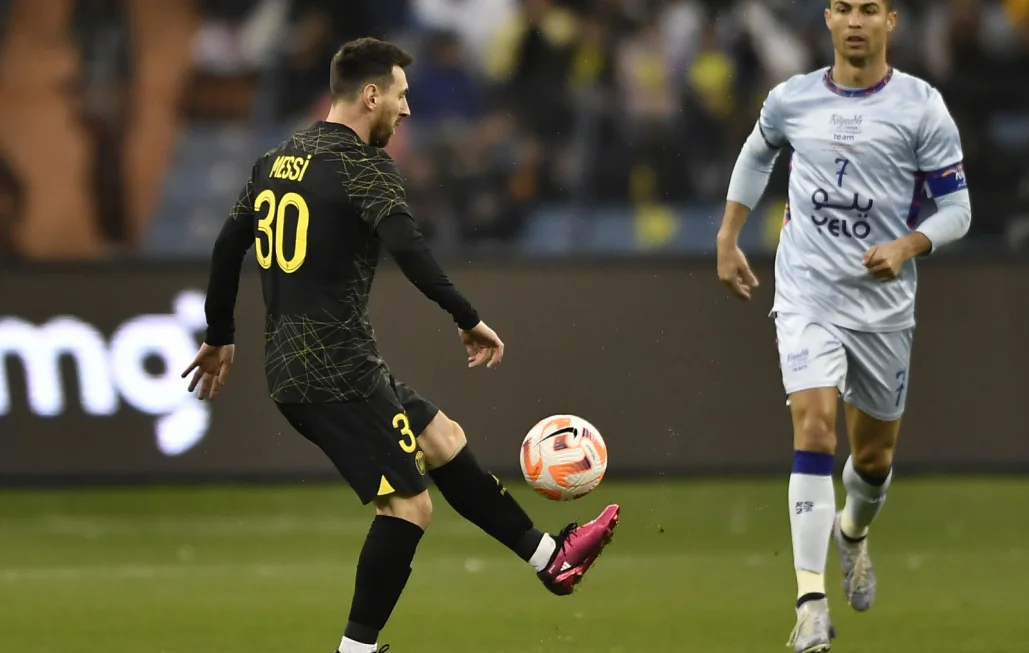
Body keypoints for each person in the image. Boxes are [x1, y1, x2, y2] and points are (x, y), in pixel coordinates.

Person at [180, 37, 620, 653]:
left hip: (311, 364)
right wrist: (467, 317)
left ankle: (552, 559)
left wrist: (221, 334)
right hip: (336, 371)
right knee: (408, 509)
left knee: (443, 439)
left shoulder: (274, 161)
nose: (407, 109)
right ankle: (355, 651)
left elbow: (228, 247)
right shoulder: (363, 167)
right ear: (370, 95)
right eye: (401, 95)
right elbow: (410, 250)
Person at [714, 2, 972, 651]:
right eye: (844, 8)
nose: (856, 21)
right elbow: (757, 152)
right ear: (828, 19)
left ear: (890, 21)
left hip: (882, 308)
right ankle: (810, 603)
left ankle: (852, 531)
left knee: (874, 458)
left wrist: (907, 246)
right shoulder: (791, 99)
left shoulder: (921, 107)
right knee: (814, 428)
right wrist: (728, 235)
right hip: (807, 293)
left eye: (869, 9)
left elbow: (958, 209)